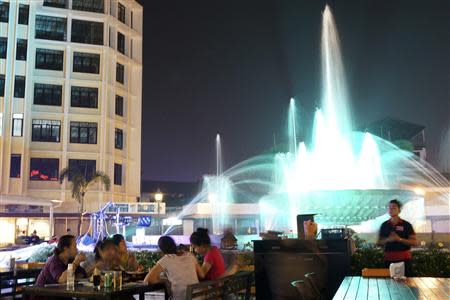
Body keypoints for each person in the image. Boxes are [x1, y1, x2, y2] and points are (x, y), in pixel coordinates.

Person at [378, 199, 418, 276]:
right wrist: (388, 239)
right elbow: (379, 242)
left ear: (399, 210)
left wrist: (399, 239)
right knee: (388, 284)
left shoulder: (406, 225)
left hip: (404, 260)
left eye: (394, 208)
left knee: (406, 284)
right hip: (388, 259)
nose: (391, 210)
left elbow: (414, 242)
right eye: (389, 208)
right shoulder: (384, 225)